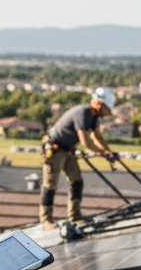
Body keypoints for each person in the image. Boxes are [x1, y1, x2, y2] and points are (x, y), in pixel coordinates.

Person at [40, 87, 117, 228]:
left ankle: (75, 216)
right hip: (55, 149)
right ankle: (46, 220)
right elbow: (85, 142)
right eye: (107, 108)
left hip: (68, 150)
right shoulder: (83, 112)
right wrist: (101, 152)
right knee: (50, 184)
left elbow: (97, 136)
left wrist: (108, 151)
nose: (108, 113)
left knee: (76, 180)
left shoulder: (93, 117)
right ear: (99, 104)